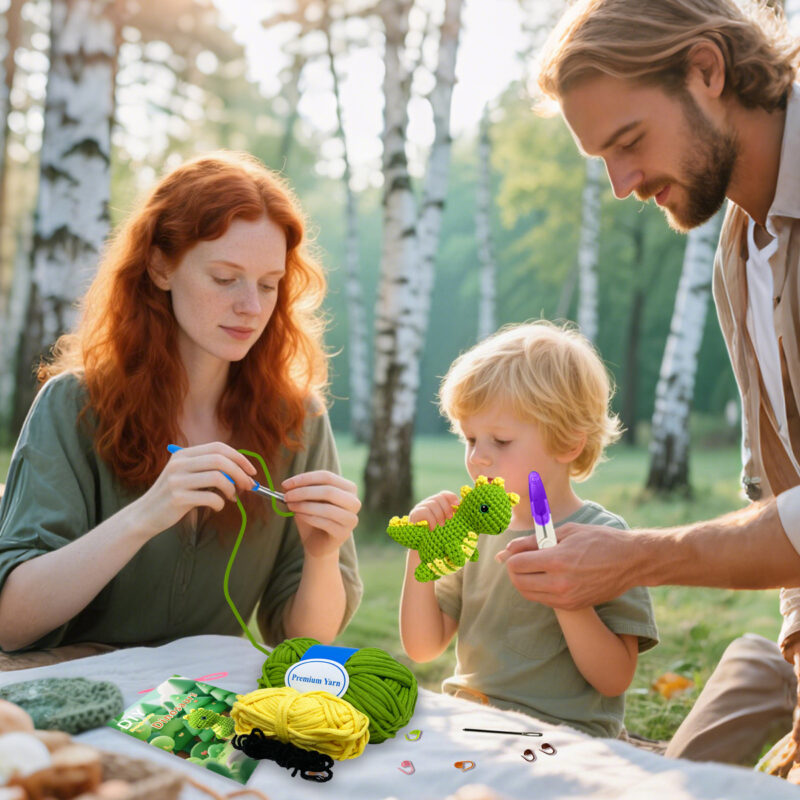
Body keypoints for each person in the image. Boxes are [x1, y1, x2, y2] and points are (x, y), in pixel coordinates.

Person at [494, 0, 800, 764]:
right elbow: (784, 491)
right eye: (602, 158)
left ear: (706, 69)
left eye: (629, 141)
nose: (623, 183)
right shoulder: (741, 250)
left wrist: (634, 557)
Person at [0, 151, 362, 665]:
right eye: (224, 278)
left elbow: (306, 644)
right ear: (160, 266)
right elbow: (12, 624)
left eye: (267, 284)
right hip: (71, 700)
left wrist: (323, 556)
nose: (252, 307)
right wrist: (148, 513)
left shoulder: (298, 419)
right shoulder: (74, 405)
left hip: (202, 712)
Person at [398, 322, 658, 738]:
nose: (478, 458)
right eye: (470, 439)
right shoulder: (475, 529)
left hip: (566, 738)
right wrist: (420, 555)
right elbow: (423, 646)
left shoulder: (605, 538)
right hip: (473, 724)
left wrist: (566, 597)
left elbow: (614, 679)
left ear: (569, 443)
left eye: (500, 441)